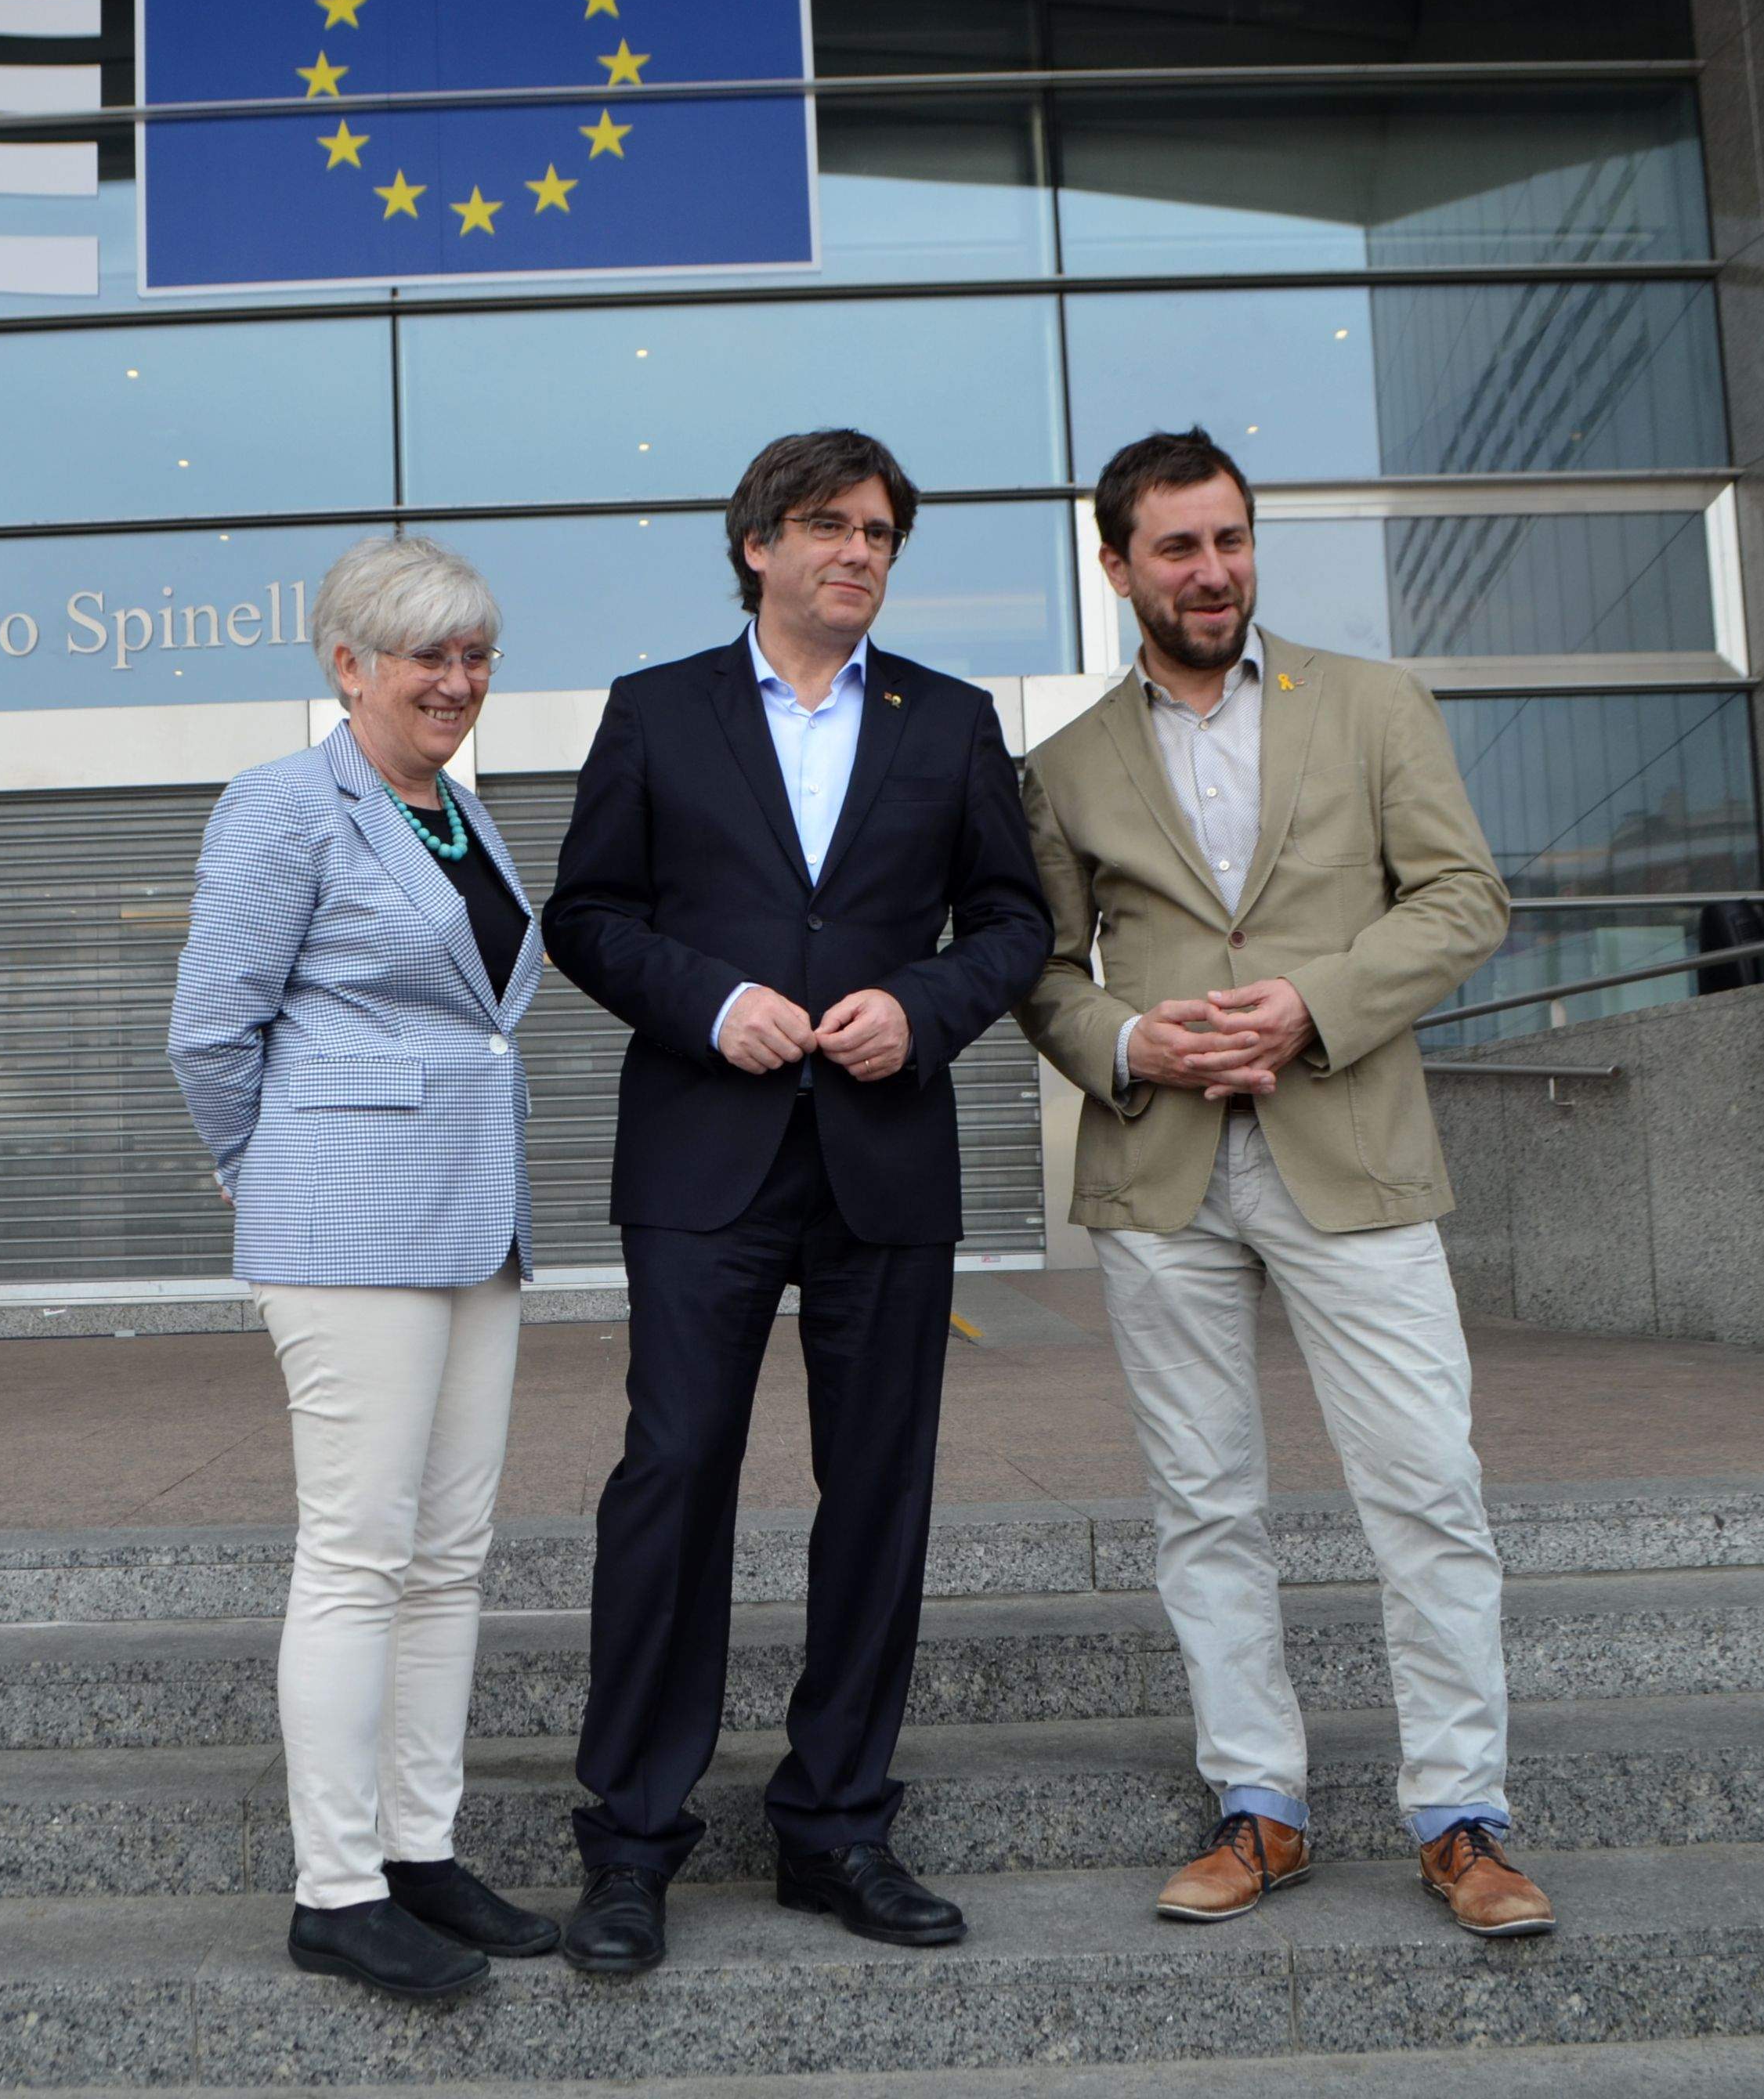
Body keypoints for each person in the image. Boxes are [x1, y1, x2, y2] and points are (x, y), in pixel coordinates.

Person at [1014, 428, 1550, 1938]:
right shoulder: (1058, 769)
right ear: (1113, 565)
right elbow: (1044, 975)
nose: (1212, 572)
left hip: (1353, 1148)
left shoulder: (1374, 706)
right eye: (1177, 549)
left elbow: (1465, 896)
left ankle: (1464, 1819)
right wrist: (1132, 1039)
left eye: (1231, 541)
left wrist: (1314, 1004)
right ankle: (1262, 1809)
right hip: (1163, 1171)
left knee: (1427, 1491)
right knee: (1203, 1505)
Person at [542, 429, 1052, 1974]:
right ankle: (631, 1841)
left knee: (878, 1492)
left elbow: (1015, 917)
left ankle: (836, 1825)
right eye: (830, 524)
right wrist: (707, 1004)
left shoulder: (950, 722)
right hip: (706, 1153)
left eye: (881, 530)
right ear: (755, 542)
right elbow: (586, 914)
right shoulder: (655, 711)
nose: (860, 550)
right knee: (674, 1473)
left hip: (883, 1152)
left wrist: (927, 1004)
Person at [168, 535, 560, 2003]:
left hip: (476, 1225)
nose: (456, 682)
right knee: (355, 1555)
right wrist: (263, 1173)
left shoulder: (460, 810)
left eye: (474, 656)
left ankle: (420, 1851)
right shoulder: (285, 806)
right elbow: (212, 1031)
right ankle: (336, 1886)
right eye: (425, 657)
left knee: (448, 1557)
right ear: (347, 665)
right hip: (345, 1228)